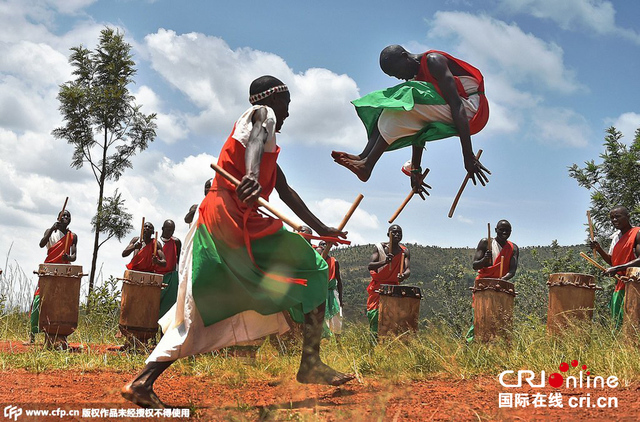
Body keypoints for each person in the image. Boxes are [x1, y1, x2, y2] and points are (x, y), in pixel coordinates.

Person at [121, 75, 354, 409]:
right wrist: (250, 175)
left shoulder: (265, 147)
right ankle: (311, 362)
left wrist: (323, 228)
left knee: (200, 310)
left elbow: (285, 191)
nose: (286, 115)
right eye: (286, 105)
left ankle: (142, 383)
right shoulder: (263, 115)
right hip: (230, 221)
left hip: (230, 223)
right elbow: (258, 137)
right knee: (316, 268)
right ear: (273, 100)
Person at [332, 45, 490, 194]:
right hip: (458, 110)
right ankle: (364, 157)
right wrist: (415, 168)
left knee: (405, 99)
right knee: (392, 106)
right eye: (393, 76)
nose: (399, 77)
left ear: (405, 57)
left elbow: (456, 105)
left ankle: (367, 164)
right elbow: (418, 125)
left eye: (397, 71)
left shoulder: (434, 61)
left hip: (472, 109)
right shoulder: (416, 81)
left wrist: (468, 155)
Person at [30, 210, 78, 343]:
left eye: (68, 216)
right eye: (64, 215)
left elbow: (74, 256)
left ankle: (60, 333)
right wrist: (52, 228)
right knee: (39, 299)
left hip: (63, 271)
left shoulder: (72, 236)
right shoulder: (50, 231)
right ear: (58, 217)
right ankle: (33, 333)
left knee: (61, 301)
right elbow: (41, 244)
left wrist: (67, 257)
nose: (66, 217)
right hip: (49, 268)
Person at [467, 220, 519, 342]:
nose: (504, 232)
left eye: (507, 230)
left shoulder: (514, 248)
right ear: (496, 230)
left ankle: (500, 346)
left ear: (511, 232)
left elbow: (512, 271)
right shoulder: (486, 242)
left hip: (501, 288)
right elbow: (475, 265)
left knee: (499, 318)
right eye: (501, 230)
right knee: (480, 316)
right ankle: (471, 342)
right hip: (483, 287)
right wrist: (485, 260)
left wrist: (501, 281)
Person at [590, 206, 640, 327]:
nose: (614, 220)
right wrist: (599, 249)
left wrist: (616, 269)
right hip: (621, 284)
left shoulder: (637, 233)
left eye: (618, 216)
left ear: (628, 217)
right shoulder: (616, 238)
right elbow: (613, 262)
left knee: (632, 321)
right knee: (618, 321)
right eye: (612, 218)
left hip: (635, 283)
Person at [366, 225, 410, 335]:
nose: (397, 234)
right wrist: (385, 262)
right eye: (394, 232)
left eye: (399, 232)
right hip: (378, 288)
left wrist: (403, 275)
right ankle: (373, 344)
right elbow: (371, 265)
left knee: (392, 320)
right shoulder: (379, 248)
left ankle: (387, 346)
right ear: (388, 234)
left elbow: (407, 269)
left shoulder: (404, 251)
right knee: (376, 316)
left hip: (393, 288)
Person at [316, 240, 344, 338]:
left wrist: (341, 299)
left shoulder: (334, 262)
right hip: (319, 295)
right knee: (321, 320)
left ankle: (338, 342)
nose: (324, 246)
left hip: (332, 293)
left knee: (336, 319)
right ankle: (324, 341)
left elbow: (339, 281)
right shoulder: (315, 262)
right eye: (322, 245)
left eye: (326, 244)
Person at [155, 220, 182, 319]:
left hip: (171, 278)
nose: (170, 232)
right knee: (153, 305)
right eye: (168, 229)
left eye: (172, 230)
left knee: (168, 309)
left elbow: (179, 259)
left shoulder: (176, 242)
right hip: (157, 276)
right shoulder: (156, 243)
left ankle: (163, 333)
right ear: (162, 228)